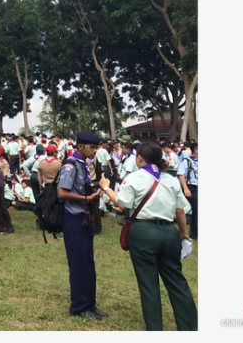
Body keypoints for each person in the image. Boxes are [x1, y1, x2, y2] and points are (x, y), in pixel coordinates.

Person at [99, 141, 197, 330]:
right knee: (177, 281)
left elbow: (123, 204)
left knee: (148, 284)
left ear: (140, 158)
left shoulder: (135, 178)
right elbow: (181, 211)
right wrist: (184, 235)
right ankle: (190, 328)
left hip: (144, 231)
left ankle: (155, 329)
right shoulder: (170, 179)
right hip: (169, 232)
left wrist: (106, 187)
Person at [58, 130, 107, 321]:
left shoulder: (84, 164)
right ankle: (79, 306)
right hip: (74, 218)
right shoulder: (70, 165)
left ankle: (90, 303)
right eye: (92, 147)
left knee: (88, 262)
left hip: (85, 217)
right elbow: (62, 193)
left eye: (96, 147)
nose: (95, 151)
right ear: (80, 147)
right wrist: (86, 197)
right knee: (78, 263)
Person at [177, 143, 198, 240]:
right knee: (196, 210)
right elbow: (181, 175)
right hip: (193, 187)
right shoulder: (187, 161)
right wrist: (186, 188)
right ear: (195, 150)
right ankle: (194, 233)